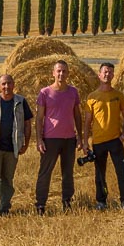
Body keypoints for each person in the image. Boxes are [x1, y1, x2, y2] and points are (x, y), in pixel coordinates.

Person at [0, 74, 33, 216]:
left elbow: (28, 125)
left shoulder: (21, 102)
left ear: (14, 84)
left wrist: (26, 144)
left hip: (13, 147)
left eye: (9, 83)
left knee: (8, 180)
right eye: (3, 84)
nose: (6, 87)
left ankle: (4, 209)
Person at [34, 60, 83, 214]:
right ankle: (41, 204)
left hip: (69, 139)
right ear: (53, 73)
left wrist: (80, 137)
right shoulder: (45, 92)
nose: (61, 74)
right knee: (45, 172)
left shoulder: (73, 92)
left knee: (68, 172)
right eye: (59, 71)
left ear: (68, 74)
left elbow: (77, 115)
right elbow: (39, 118)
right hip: (50, 139)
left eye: (64, 71)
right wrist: (39, 139)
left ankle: (67, 202)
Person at [82, 62, 124, 210]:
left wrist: (123, 134)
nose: (107, 74)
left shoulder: (118, 95)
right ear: (99, 74)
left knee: (121, 171)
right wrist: (85, 142)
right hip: (98, 142)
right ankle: (101, 201)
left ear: (113, 75)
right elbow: (87, 122)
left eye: (110, 72)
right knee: (100, 175)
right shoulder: (92, 97)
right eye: (104, 72)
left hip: (115, 141)